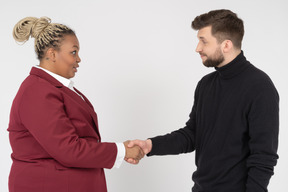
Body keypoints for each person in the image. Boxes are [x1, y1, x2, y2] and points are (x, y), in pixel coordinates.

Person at [127, 9, 279, 192]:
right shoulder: (206, 85)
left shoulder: (260, 87)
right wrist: (150, 145)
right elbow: (193, 135)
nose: (197, 48)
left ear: (226, 45)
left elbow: (263, 158)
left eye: (203, 41)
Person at [8, 17, 144, 192]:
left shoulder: (55, 88)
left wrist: (122, 150)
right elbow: (68, 149)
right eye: (73, 52)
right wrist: (121, 151)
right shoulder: (36, 91)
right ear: (51, 54)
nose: (79, 59)